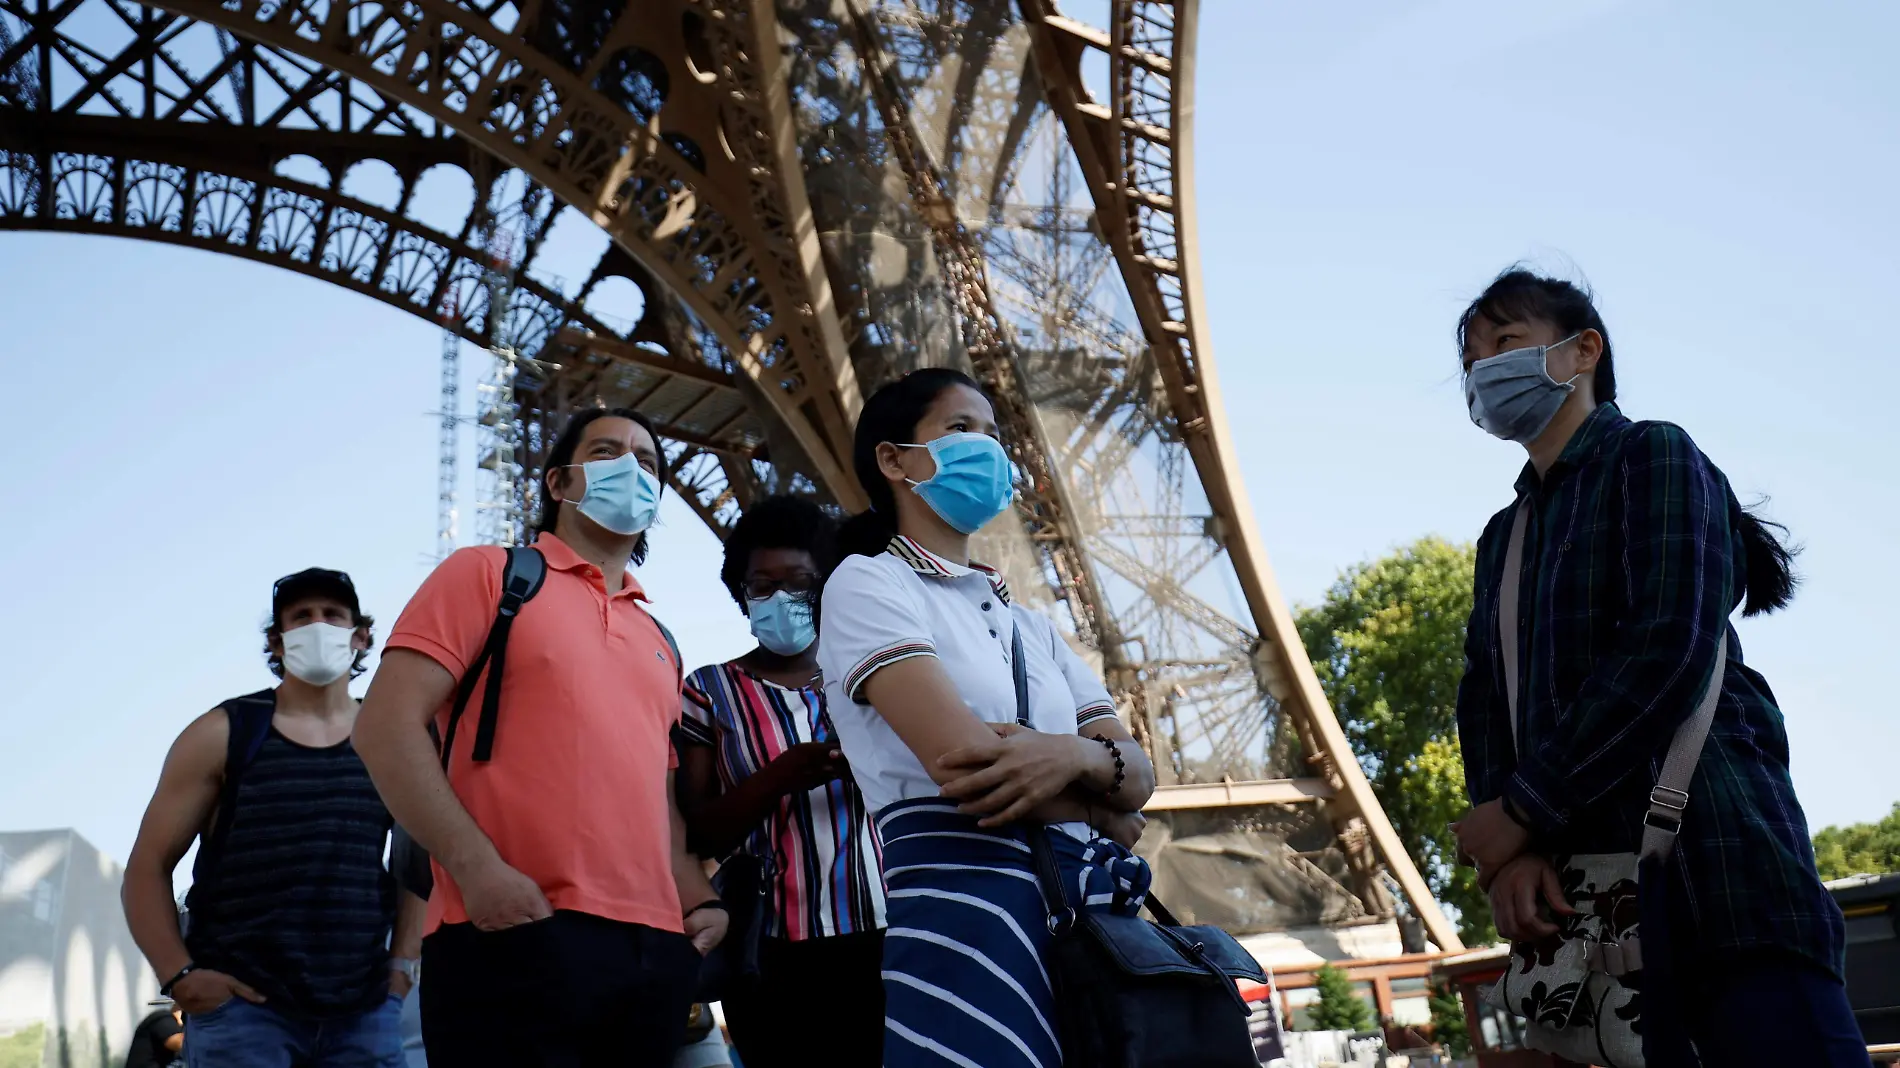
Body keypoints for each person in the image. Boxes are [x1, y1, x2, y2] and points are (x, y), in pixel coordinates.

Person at [1449, 268, 1862, 1065]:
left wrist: (1523, 807)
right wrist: (1512, 855)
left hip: (1719, 878)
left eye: (1505, 343)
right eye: (1471, 360)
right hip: (1585, 914)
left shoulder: (1652, 453)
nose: (1483, 369)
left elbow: (1666, 646)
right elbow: (1484, 704)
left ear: (1582, 351)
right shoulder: (1503, 537)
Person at [353, 407, 727, 1068]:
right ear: (559, 482)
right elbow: (384, 726)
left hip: (654, 949)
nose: (631, 468)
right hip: (511, 926)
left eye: (647, 461)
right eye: (608, 450)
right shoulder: (489, 576)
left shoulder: (659, 639)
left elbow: (656, 794)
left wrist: (696, 897)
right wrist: (477, 871)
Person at [814, 368, 1155, 1068]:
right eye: (962, 430)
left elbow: (1139, 775)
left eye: (995, 435)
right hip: (964, 913)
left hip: (1084, 919)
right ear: (894, 459)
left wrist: (1075, 760)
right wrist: (1099, 807)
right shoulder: (865, 583)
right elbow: (969, 766)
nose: (989, 450)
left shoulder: (1034, 625)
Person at [122, 569, 412, 1068]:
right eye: (301, 618)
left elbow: (418, 864)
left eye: (332, 615)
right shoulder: (223, 733)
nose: (317, 626)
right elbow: (146, 868)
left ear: (360, 636)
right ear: (277, 643)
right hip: (243, 1016)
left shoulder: (392, 741)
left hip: (365, 1015)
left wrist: (402, 967)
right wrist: (181, 977)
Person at [675, 495, 886, 1068]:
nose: (779, 599)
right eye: (760, 586)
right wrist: (782, 775)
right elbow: (697, 832)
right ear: (741, 595)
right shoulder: (707, 692)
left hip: (897, 937)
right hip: (773, 955)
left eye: (797, 581)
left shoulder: (883, 676)